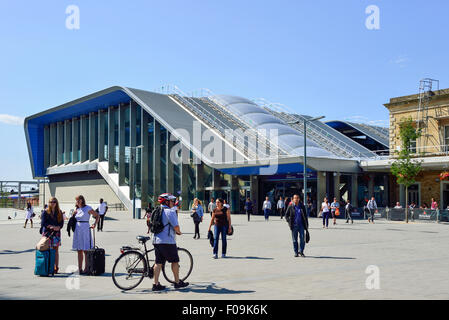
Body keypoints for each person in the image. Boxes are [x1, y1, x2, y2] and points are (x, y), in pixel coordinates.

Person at [152, 193, 189, 291]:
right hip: (167, 241)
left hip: (156, 239)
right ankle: (177, 282)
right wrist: (179, 232)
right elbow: (176, 226)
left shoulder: (157, 210)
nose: (173, 203)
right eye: (172, 201)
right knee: (175, 261)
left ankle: (155, 284)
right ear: (167, 202)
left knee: (158, 262)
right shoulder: (170, 212)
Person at [72, 195, 100, 274]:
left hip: (85, 228)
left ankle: (87, 267)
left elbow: (97, 215)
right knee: (79, 250)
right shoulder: (77, 209)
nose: (76, 202)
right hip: (77, 230)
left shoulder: (88, 208)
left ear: (81, 200)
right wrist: (73, 214)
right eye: (76, 200)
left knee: (86, 249)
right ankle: (80, 268)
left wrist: (94, 224)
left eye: (78, 200)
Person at [41, 197, 64, 273]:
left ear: (56, 203)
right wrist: (50, 226)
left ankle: (56, 267)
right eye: (51, 202)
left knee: (55, 250)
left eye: (54, 202)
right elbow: (43, 223)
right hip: (47, 233)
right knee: (47, 249)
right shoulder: (45, 212)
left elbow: (61, 223)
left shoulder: (59, 212)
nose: (52, 203)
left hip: (56, 233)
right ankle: (48, 266)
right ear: (49, 203)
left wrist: (58, 227)